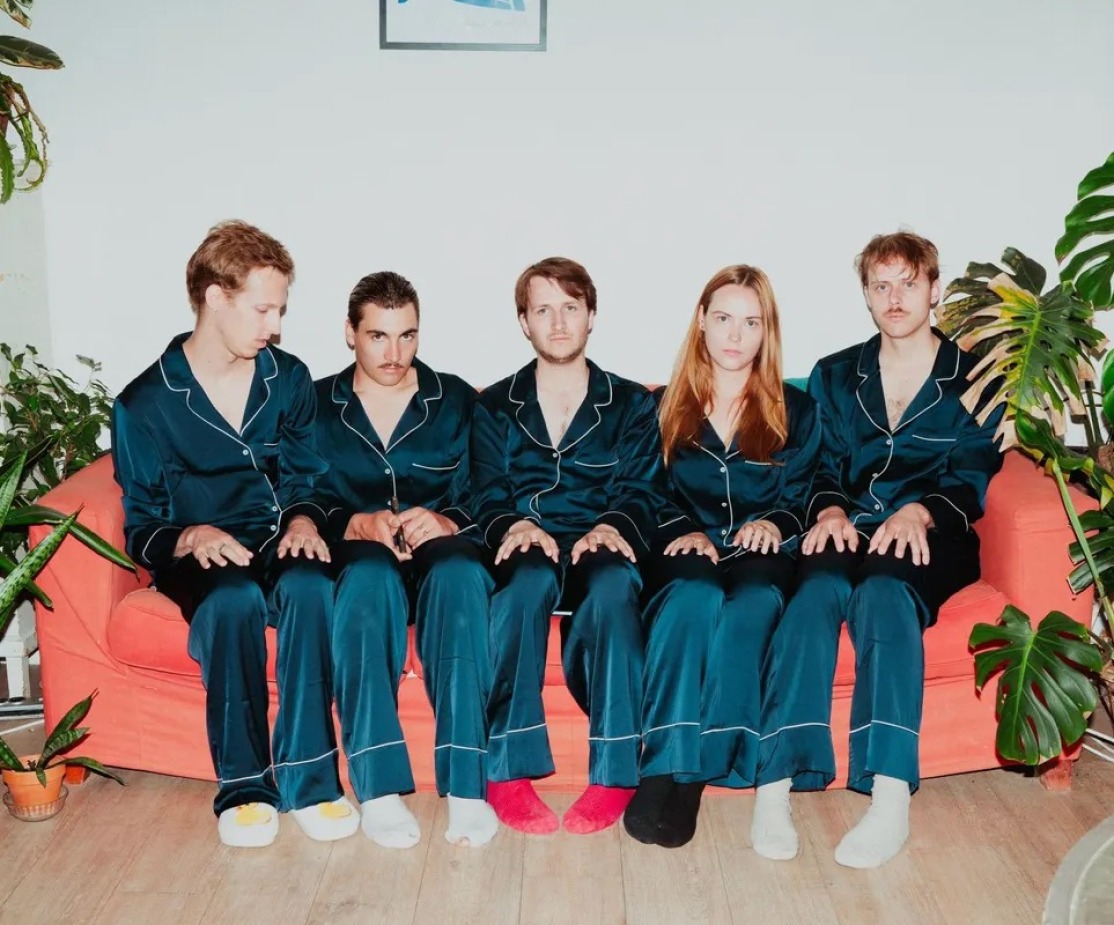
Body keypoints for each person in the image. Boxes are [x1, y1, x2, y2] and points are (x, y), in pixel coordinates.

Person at [753, 231, 1004, 868]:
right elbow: (817, 466)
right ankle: (774, 782)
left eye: (908, 284)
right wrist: (830, 509)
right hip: (849, 524)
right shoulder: (836, 375)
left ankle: (889, 793)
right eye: (881, 286)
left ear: (934, 290)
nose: (895, 298)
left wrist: (921, 510)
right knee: (812, 590)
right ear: (866, 295)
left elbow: (974, 470)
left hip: (933, 532)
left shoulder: (974, 377)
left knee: (885, 590)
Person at [111, 220, 355, 848]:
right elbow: (143, 525)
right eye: (263, 309)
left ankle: (312, 779)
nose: (275, 326)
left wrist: (304, 517)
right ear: (215, 297)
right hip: (204, 553)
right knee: (233, 600)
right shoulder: (144, 404)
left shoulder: (288, 379)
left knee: (310, 587)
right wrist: (189, 535)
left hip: (277, 537)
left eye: (280, 310)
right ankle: (245, 788)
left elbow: (309, 478)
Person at [624, 265, 820, 849]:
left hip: (762, 553)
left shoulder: (796, 409)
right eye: (724, 318)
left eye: (751, 322)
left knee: (752, 603)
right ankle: (661, 765)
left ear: (767, 331)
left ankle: (695, 776)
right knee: (693, 595)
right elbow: (643, 491)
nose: (736, 335)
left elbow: (808, 493)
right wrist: (687, 529)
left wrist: (775, 522)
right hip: (684, 549)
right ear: (702, 323)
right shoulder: (659, 406)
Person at [471, 257, 663, 835]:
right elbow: (484, 489)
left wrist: (611, 524)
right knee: (523, 580)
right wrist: (511, 524)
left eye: (570, 308)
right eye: (543, 310)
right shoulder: (493, 404)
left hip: (598, 537)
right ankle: (507, 771)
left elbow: (642, 489)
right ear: (523, 322)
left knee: (612, 583)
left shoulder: (632, 403)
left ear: (591, 316)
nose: (558, 323)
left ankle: (615, 772)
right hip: (525, 539)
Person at [313, 271, 497, 849]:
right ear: (350, 333)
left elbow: (491, 490)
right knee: (367, 574)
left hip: (442, 557)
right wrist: (351, 522)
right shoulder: (314, 405)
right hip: (362, 562)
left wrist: (449, 520)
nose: (394, 353)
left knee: (461, 570)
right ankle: (378, 789)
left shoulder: (459, 401)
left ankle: (467, 786)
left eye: (407, 336)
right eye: (378, 336)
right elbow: (294, 495)